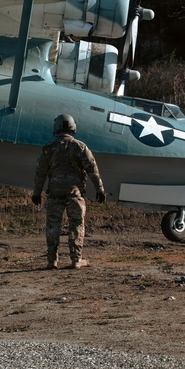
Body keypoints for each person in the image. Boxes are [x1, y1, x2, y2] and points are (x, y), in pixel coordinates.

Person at [32, 113, 106, 269]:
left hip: (55, 193)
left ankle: (52, 261)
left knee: (53, 227)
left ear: (56, 127)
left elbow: (41, 173)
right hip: (75, 194)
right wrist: (99, 189)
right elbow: (92, 169)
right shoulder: (80, 147)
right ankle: (76, 260)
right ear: (73, 127)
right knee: (76, 226)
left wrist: (36, 193)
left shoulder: (48, 148)